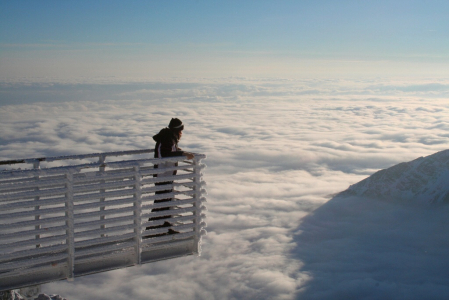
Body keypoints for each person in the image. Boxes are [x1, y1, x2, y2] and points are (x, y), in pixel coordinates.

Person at [146, 118, 194, 237]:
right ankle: (154, 230)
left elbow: (170, 150)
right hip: (163, 175)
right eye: (181, 131)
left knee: (166, 202)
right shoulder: (168, 138)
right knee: (161, 202)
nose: (182, 134)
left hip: (165, 175)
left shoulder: (169, 138)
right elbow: (166, 153)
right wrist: (182, 154)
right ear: (177, 131)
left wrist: (179, 150)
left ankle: (164, 228)